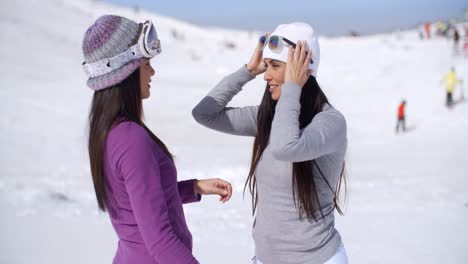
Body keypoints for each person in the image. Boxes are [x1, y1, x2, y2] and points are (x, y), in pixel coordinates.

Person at [82, 15, 233, 264]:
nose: (152, 71)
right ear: (126, 70)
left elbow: (137, 201)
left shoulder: (110, 131)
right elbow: (160, 241)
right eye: (146, 63)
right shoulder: (131, 139)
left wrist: (192, 187)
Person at [193, 22, 348, 264]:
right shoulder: (269, 118)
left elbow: (286, 147)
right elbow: (204, 113)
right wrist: (247, 71)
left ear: (303, 67)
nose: (266, 75)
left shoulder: (330, 123)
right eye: (266, 66)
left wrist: (293, 87)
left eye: (275, 66)